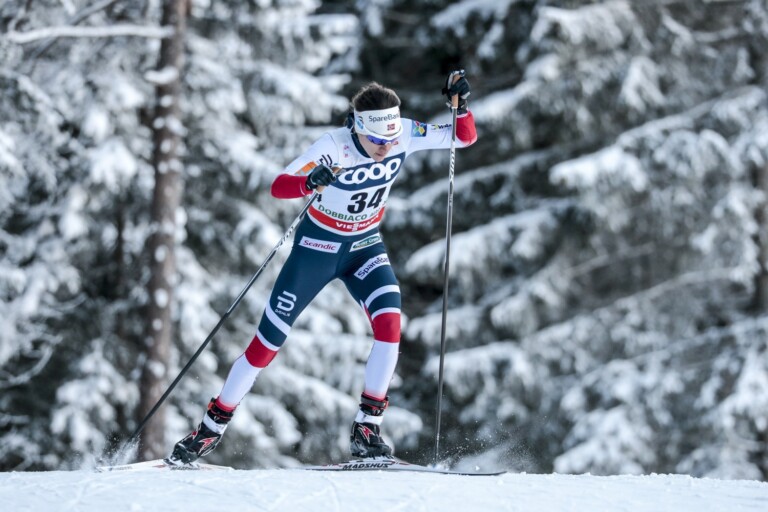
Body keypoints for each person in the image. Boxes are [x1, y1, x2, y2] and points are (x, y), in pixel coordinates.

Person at [167, 70, 477, 465]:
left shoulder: (403, 133)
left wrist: (461, 108)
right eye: (377, 140)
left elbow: (462, 138)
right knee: (267, 343)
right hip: (316, 250)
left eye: (391, 139)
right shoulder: (333, 147)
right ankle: (209, 430)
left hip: (364, 247)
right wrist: (309, 181)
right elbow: (279, 185)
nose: (386, 147)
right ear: (358, 128)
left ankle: (367, 429)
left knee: (390, 323)